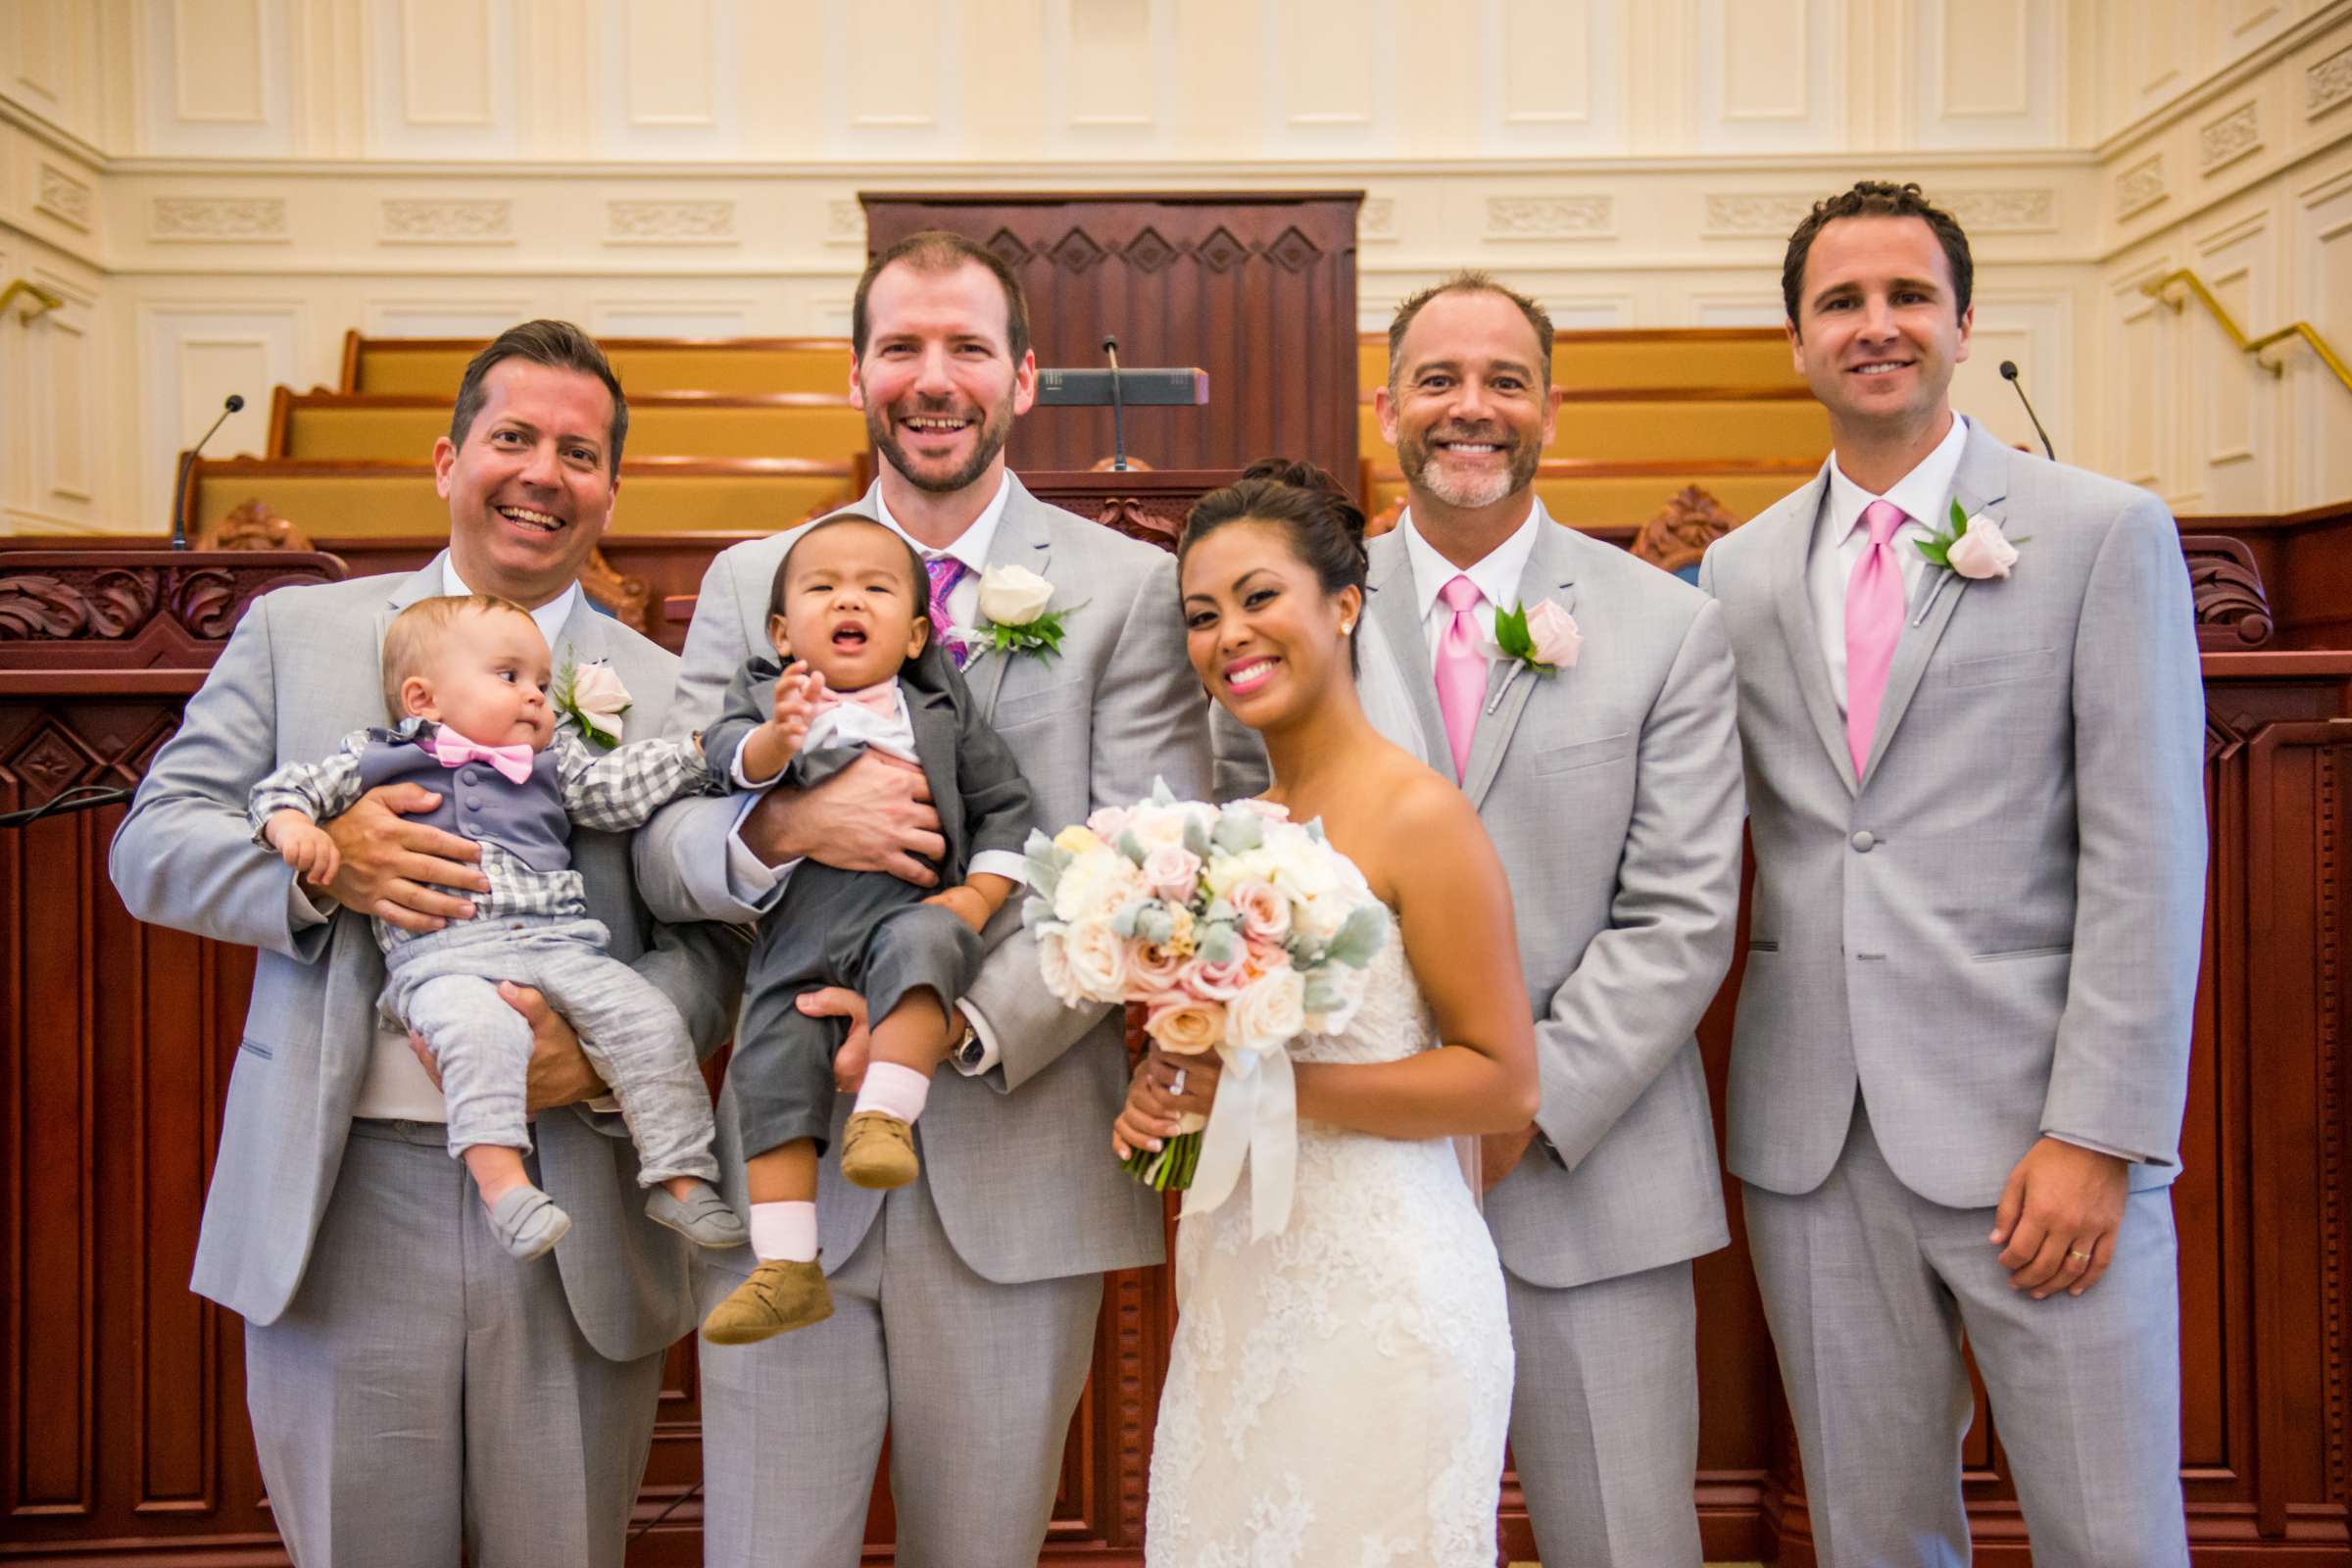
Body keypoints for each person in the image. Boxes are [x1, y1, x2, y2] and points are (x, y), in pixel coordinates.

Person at [110, 319, 746, 1566]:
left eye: (578, 451)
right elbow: (153, 843)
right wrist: (324, 865)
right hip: (341, 1191)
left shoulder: (662, 693)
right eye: (512, 438)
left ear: (611, 486)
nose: (542, 473)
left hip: (571, 1194)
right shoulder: (302, 634)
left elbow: (715, 952)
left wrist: (602, 1051)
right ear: (447, 458)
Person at [633, 230, 1213, 1566]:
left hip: (1012, 1155)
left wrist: (947, 1027)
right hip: (787, 1163)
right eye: (902, 348)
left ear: (1020, 378)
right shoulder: (748, 581)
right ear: (858, 376)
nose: (932, 378)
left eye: (965, 348)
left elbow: (1126, 864)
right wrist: (782, 823)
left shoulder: (1124, 591)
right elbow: (664, 845)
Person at [1698, 180, 2203, 1565]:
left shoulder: (2100, 532)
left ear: (1966, 323)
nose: (1877, 326)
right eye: (1840, 303)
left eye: (1908, 296)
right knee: (1873, 1537)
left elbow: (2152, 853)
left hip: (2038, 1139)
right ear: (1795, 342)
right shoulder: (1733, 576)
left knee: (2110, 1535)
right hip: (1814, 1142)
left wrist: (2100, 1133)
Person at [1223, 272, 1745, 1565]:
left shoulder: (1668, 628)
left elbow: (1680, 914)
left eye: (1505, 381)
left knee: (1623, 1542)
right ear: (1387, 404)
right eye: (1440, 381)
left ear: (1549, 410)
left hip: (1590, 1169)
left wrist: (1510, 1109)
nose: (1472, 410)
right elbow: (1246, 867)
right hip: (1352, 1187)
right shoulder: (1289, 607)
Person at [1117, 459, 1538, 1565]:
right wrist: (1162, 1094)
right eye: (1202, 615)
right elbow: (1213, 1056)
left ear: (1343, 605)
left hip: (1384, 1296)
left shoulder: (1420, 817)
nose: (1229, 636)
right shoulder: (1232, 833)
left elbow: (1502, 1079)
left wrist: (1266, 1088)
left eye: (1260, 598)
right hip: (1240, 1287)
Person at [250, 592, 741, 1261]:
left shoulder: (553, 761)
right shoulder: (376, 754)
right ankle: (504, 1187)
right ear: (423, 698)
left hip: (563, 945)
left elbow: (616, 787)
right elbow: (288, 786)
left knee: (649, 1019)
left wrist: (692, 752)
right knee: (479, 1035)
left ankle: (681, 1178)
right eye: (510, 678)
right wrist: (295, 827)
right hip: (443, 957)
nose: (536, 696)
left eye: (541, 682)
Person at [696, 515, 1034, 1344]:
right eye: (822, 588)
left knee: (925, 949)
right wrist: (778, 736)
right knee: (766, 1068)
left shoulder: (938, 708)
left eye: (876, 588)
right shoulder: (768, 693)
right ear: (781, 630)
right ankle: (785, 1267)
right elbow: (722, 756)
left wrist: (978, 898)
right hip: (796, 935)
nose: (849, 598)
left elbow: (1006, 806)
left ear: (918, 631)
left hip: (907, 909)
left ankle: (886, 1114)